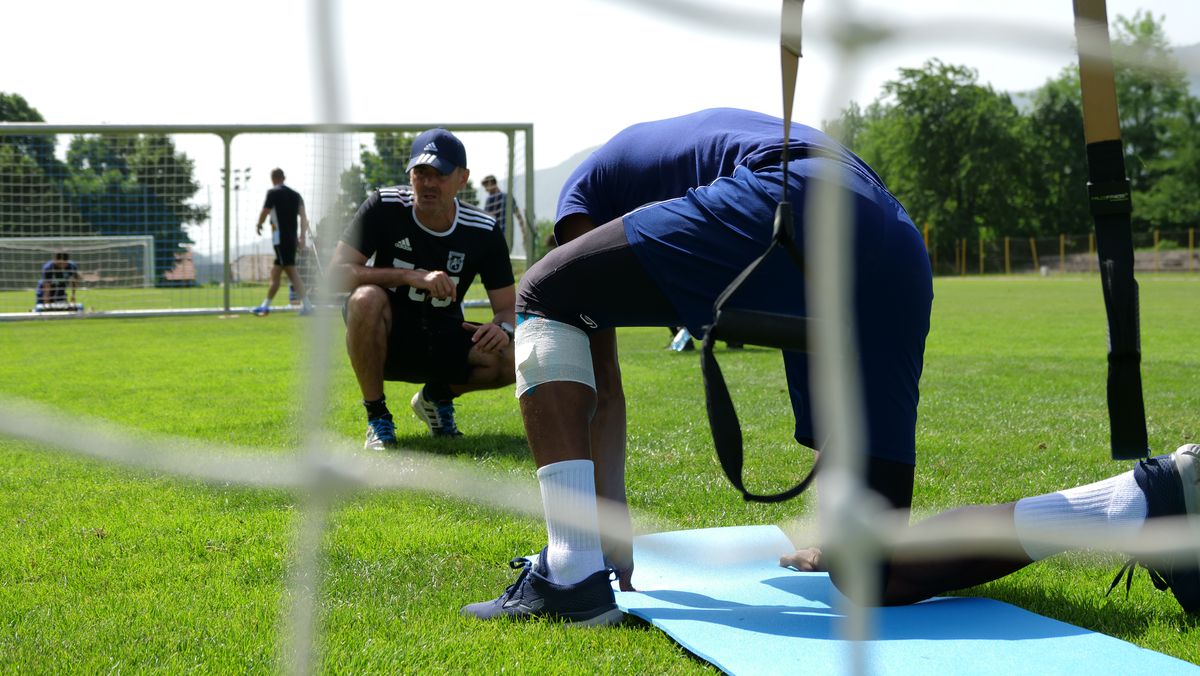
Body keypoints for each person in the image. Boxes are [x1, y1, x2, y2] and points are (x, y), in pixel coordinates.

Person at [461, 108, 933, 624]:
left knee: (544, 291)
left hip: (795, 191)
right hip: (892, 235)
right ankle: (1036, 518)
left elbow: (602, 376)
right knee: (876, 573)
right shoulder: (658, 159)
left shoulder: (581, 196)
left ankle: (570, 573)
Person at [329, 128, 517, 448]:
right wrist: (410, 277)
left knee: (516, 356)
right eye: (421, 172)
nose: (429, 183)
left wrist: (505, 328)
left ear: (462, 178)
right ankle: (377, 418)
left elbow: (508, 306)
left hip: (444, 335)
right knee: (364, 298)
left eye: (440, 174)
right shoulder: (384, 206)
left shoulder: (483, 229)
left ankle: (434, 398)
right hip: (388, 337)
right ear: (411, 174)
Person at [251, 168, 313, 316]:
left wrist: (259, 224)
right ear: (283, 178)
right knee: (276, 272)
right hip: (291, 240)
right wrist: (302, 237)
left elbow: (265, 211)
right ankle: (265, 307)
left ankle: (308, 307)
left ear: (272, 178)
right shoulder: (296, 195)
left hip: (280, 239)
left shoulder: (273, 193)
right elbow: (304, 218)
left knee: (291, 272)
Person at [481, 174, 526, 239]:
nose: (486, 190)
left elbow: (518, 214)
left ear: (490, 183)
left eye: (486, 186)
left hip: (502, 236)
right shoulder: (489, 200)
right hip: (497, 236)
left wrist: (524, 232)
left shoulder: (505, 197)